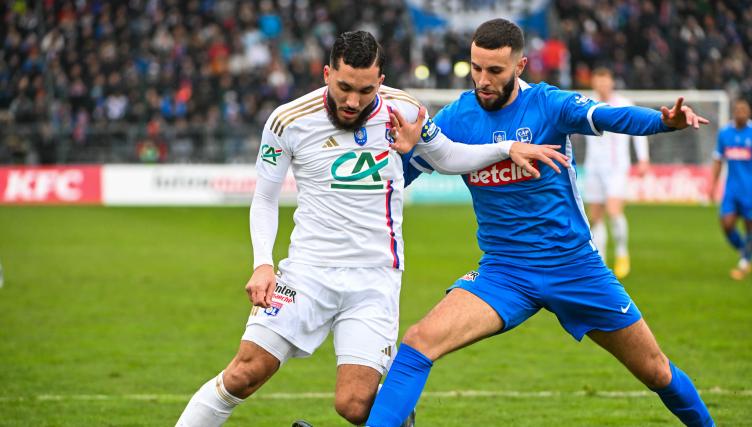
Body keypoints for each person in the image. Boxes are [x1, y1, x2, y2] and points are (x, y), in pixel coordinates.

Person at [175, 30, 567, 427]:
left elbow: (447, 155)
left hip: (374, 280)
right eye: (344, 87)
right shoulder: (288, 120)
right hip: (307, 273)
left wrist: (504, 148)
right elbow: (265, 197)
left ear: (380, 82)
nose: (352, 101)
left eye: (364, 91)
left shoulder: (405, 111)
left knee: (356, 406)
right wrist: (262, 263)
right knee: (244, 373)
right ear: (327, 73)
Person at [366, 19, 715, 427]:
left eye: (495, 71)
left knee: (656, 370)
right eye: (476, 68)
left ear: (521, 66)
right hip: (504, 272)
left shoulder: (549, 104)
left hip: (574, 268)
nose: (483, 80)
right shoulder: (457, 118)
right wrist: (390, 163)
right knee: (417, 343)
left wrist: (662, 122)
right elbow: (402, 177)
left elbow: (608, 115)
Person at [584, 67, 650, 278]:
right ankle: (600, 261)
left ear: (612, 82)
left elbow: (639, 131)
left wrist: (643, 159)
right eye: (598, 81)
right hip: (593, 166)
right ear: (594, 83)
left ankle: (622, 253)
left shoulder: (624, 104)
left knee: (614, 210)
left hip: (616, 167)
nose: (602, 85)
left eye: (606, 80)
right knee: (595, 216)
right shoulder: (586, 103)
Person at [709, 99, 752, 280]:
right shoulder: (725, 133)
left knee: (750, 226)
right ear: (733, 112)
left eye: (744, 109)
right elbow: (718, 160)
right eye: (737, 109)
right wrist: (712, 185)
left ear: (749, 113)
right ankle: (745, 250)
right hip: (731, 189)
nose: (740, 112)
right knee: (726, 224)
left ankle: (744, 263)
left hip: (750, 189)